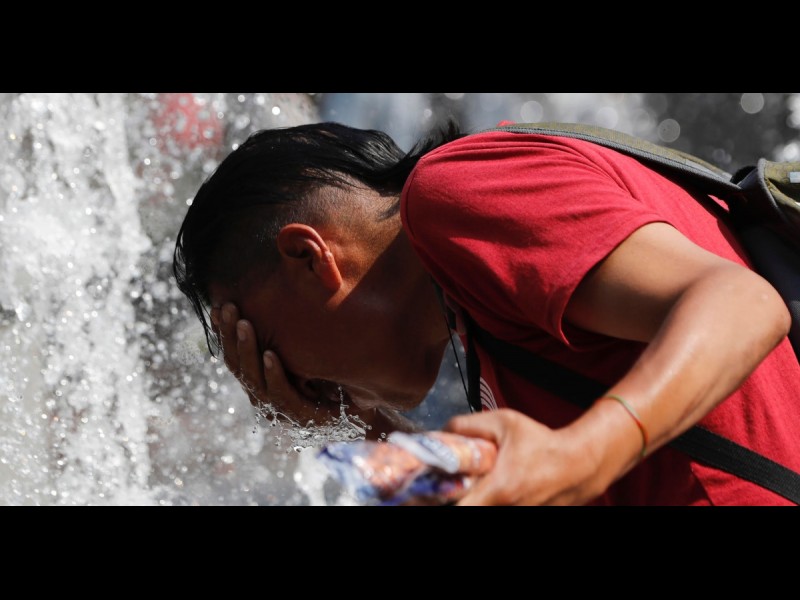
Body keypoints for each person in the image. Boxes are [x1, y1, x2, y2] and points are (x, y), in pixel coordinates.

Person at [172, 119, 800, 506]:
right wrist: (361, 426)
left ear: (310, 259)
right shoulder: (485, 313)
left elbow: (742, 302)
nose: (273, 375)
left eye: (255, 340)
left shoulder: (455, 190)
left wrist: (585, 454)